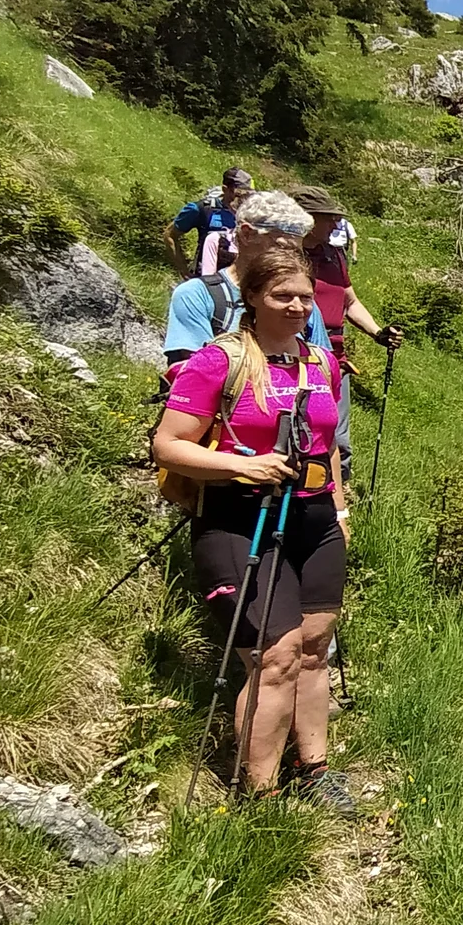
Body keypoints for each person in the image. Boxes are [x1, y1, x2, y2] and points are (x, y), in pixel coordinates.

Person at [151, 226, 354, 812]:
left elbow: (329, 444)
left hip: (315, 515)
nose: (295, 307)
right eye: (281, 296)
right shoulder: (221, 362)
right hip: (241, 516)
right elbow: (168, 446)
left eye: (305, 297)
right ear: (253, 298)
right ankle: (257, 796)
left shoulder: (322, 363)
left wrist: (338, 509)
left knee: (314, 648)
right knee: (274, 657)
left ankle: (313, 768)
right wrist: (249, 467)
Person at [286, 185, 402, 482]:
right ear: (307, 219)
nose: (336, 225)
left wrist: (378, 332)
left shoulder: (334, 256)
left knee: (338, 435)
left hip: (335, 355)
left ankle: (337, 497)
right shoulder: (286, 256)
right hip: (294, 351)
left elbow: (349, 301)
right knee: (298, 429)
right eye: (329, 218)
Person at [162, 193, 331, 374]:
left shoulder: (299, 303)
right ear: (247, 234)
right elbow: (196, 377)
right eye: (282, 247)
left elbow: (323, 370)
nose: (289, 259)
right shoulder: (197, 295)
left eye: (296, 252)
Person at [166, 167, 252, 278]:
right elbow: (170, 235)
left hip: (239, 281)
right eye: (239, 194)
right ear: (225, 189)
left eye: (249, 194)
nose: (245, 199)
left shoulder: (251, 213)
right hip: (205, 280)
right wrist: (184, 270)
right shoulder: (202, 209)